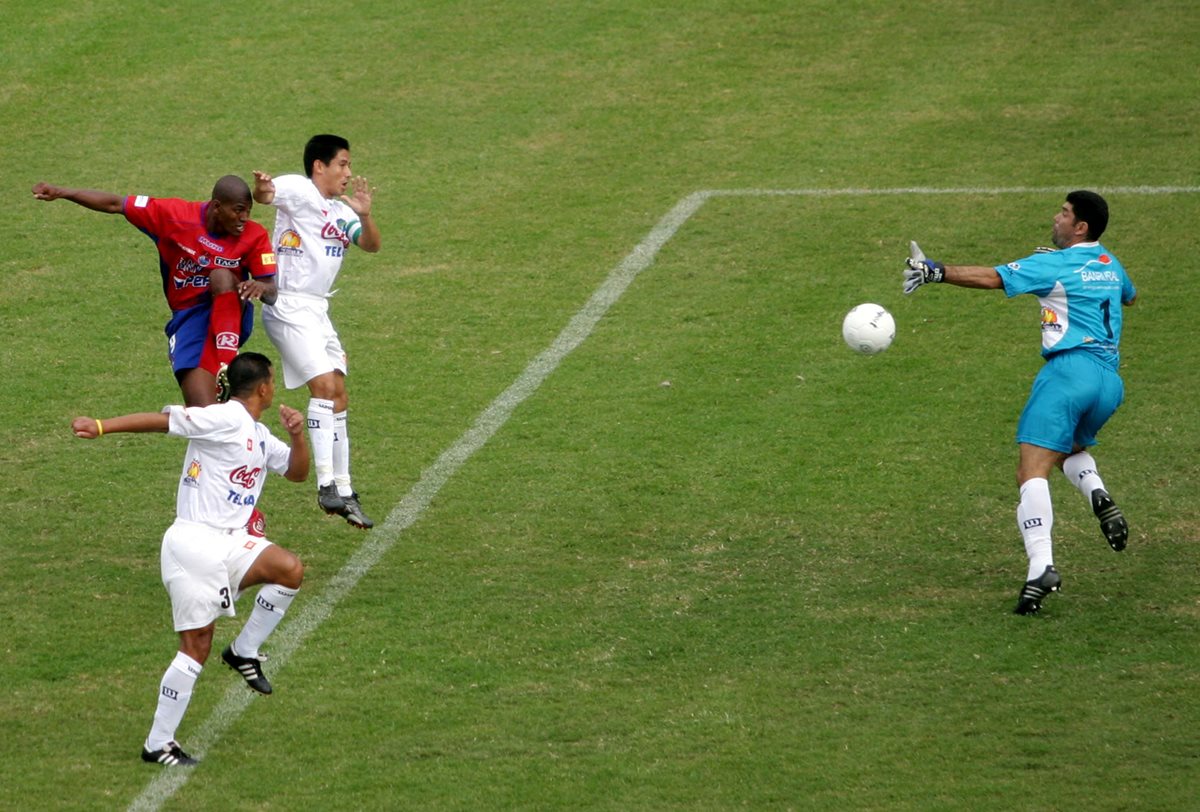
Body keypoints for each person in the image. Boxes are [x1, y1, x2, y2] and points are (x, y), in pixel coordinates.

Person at [902, 190, 1136, 615]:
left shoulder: (1054, 264)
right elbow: (1129, 297)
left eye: (1064, 214)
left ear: (1080, 227)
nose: (1056, 218)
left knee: (1031, 470)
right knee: (1069, 450)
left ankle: (1041, 567)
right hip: (1109, 381)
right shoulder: (1110, 262)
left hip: (1068, 374)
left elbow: (993, 277)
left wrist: (936, 272)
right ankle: (1098, 493)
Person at [71, 352, 310, 767]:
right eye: (273, 380)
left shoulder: (255, 431)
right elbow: (165, 422)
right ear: (264, 387)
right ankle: (158, 743)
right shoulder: (224, 418)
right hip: (195, 546)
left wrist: (297, 436)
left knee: (288, 569)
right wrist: (101, 426)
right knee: (195, 648)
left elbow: (296, 473)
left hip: (232, 542)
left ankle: (244, 651)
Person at [32, 176, 278, 406]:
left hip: (228, 314)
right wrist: (62, 192)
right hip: (188, 317)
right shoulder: (174, 216)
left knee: (222, 276)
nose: (245, 217)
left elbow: (272, 293)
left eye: (248, 211)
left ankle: (227, 364)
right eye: (238, 210)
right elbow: (115, 204)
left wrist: (261, 286)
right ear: (216, 206)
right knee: (202, 413)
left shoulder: (254, 235)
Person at [252, 134, 382, 529]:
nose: (347, 172)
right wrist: (261, 186)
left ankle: (343, 488)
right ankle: (325, 484)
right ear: (319, 166)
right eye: (342, 164)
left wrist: (363, 214)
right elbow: (267, 195)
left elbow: (372, 245)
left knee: (339, 393)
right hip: (288, 305)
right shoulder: (299, 189)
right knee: (324, 387)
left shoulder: (341, 212)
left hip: (318, 310)